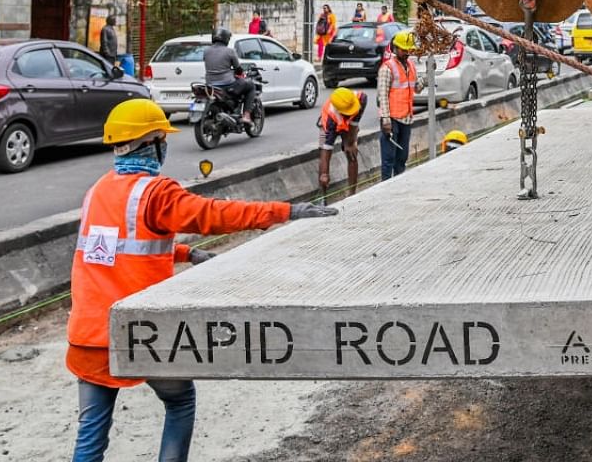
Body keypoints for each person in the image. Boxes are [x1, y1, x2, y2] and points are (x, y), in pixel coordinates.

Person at [69, 100, 337, 462]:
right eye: (162, 138)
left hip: (88, 336)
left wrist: (185, 254)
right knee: (180, 402)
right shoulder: (156, 192)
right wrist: (285, 211)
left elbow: (110, 248)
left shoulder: (97, 191)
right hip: (141, 335)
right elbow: (213, 215)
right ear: (151, 143)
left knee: (90, 440)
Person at [378, 30, 421, 180]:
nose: (406, 53)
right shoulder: (388, 68)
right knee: (389, 158)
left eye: (408, 50)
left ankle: (399, 183)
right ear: (396, 49)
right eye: (403, 49)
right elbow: (382, 95)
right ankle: (385, 186)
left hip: (406, 118)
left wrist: (427, 76)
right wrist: (385, 119)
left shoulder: (411, 65)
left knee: (402, 157)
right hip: (392, 119)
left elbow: (416, 87)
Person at [318, 87, 368, 197]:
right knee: (323, 162)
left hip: (348, 126)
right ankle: (323, 196)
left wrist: (351, 142)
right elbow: (327, 148)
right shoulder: (330, 120)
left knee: (352, 154)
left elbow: (354, 124)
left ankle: (352, 194)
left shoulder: (361, 99)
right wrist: (325, 173)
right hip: (331, 125)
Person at [203, 29, 255, 125]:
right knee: (251, 85)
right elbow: (238, 69)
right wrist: (237, 72)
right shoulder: (230, 51)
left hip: (210, 85)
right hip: (227, 85)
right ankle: (246, 115)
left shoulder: (206, 51)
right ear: (226, 39)